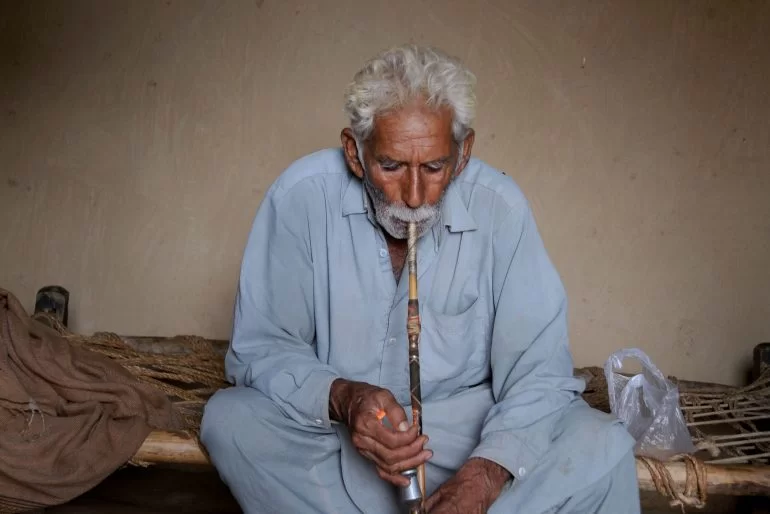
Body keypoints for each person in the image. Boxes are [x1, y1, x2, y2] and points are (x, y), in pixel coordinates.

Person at [200, 44, 640, 514]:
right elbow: (261, 348)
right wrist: (344, 397)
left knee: (602, 447)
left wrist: (485, 475)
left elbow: (541, 371)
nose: (413, 196)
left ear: (462, 154)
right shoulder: (301, 197)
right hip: (343, 439)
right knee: (233, 421)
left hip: (469, 437)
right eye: (390, 166)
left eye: (433, 167)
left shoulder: (500, 207)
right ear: (355, 152)